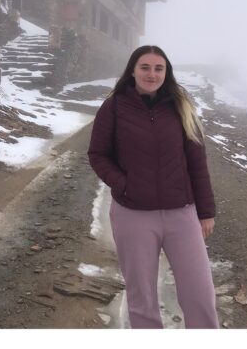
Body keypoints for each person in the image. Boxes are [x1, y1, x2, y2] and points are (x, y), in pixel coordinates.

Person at [87, 45, 219, 329]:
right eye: (145, 67)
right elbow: (98, 154)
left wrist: (206, 211)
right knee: (142, 300)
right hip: (133, 214)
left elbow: (197, 161)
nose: (152, 73)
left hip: (181, 213)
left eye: (159, 68)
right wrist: (125, 184)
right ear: (133, 71)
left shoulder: (180, 106)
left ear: (166, 73)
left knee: (200, 295)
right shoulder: (114, 106)